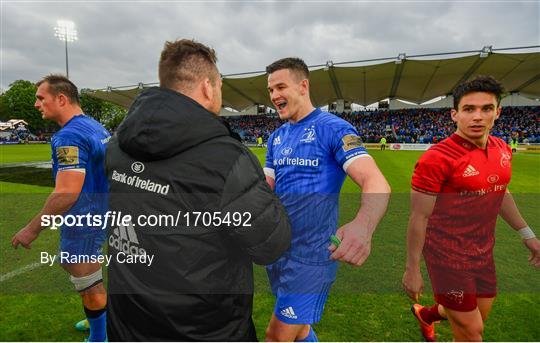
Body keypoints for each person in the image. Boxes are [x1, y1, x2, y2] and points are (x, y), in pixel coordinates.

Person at [106, 39, 291, 341]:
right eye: (219, 85)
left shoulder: (116, 146)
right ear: (208, 87)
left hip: (127, 324)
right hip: (205, 330)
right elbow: (271, 245)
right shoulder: (227, 158)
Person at [402, 75, 540, 342]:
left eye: (486, 109)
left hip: (483, 251)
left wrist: (528, 236)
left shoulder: (502, 148)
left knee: (474, 314)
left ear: (498, 112)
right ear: (455, 114)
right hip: (447, 255)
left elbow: (501, 193)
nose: (477, 116)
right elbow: (419, 216)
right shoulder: (436, 159)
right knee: (472, 332)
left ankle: (427, 314)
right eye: (469, 109)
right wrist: (412, 268)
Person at [263, 57, 391, 341]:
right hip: (278, 251)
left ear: (303, 86)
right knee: (301, 330)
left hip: (311, 257)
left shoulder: (334, 128)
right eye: (270, 90)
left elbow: (375, 180)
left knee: (277, 336)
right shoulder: (277, 138)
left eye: (280, 87)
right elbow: (265, 188)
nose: (274, 96)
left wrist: (363, 225)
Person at [11, 75, 110, 342]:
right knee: (83, 271)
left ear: (61, 99)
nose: (36, 104)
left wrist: (31, 229)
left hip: (85, 217)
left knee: (85, 275)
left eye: (41, 98)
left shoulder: (69, 135)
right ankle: (98, 319)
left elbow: (67, 192)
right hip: (99, 212)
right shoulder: (95, 127)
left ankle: (100, 334)